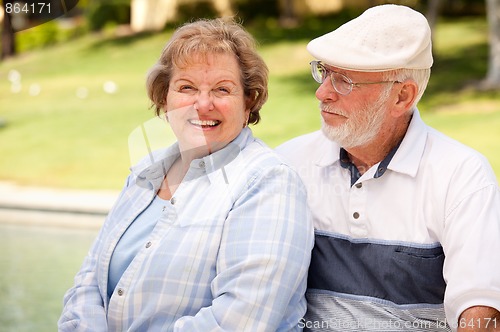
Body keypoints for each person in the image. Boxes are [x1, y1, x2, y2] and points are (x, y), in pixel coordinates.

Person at [59, 18, 314, 331]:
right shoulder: (145, 171)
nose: (202, 104)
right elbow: (87, 285)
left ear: (248, 103)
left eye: (222, 89)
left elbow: (238, 321)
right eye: (187, 88)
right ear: (165, 99)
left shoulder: (269, 183)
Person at [276, 4, 500, 332]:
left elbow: (481, 311)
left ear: (402, 97)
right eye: (324, 72)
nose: (322, 92)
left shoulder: (461, 175)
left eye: (344, 81)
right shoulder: (288, 164)